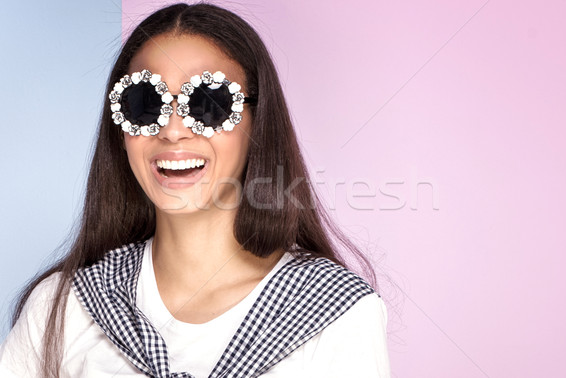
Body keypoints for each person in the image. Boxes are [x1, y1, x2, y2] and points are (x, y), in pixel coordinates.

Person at [0, 3, 390, 377]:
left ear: (257, 123)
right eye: (144, 104)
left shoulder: (336, 313)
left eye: (208, 104)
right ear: (121, 130)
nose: (172, 131)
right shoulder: (64, 305)